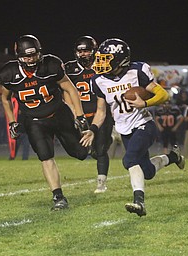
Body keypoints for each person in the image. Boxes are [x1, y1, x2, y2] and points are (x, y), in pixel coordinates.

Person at [81, 38, 185, 217]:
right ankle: (173, 157)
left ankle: (139, 202)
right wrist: (93, 129)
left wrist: (145, 103)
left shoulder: (137, 70)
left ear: (120, 59)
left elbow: (163, 94)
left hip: (144, 124)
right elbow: (101, 111)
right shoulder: (98, 80)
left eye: (106, 58)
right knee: (148, 172)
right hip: (124, 130)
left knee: (129, 160)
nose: (101, 62)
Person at [0, 35, 89, 210]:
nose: (31, 60)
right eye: (26, 56)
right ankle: (58, 197)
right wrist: (11, 122)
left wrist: (79, 115)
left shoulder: (51, 65)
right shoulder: (9, 73)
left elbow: (69, 87)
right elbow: (5, 98)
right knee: (46, 157)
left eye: (33, 55)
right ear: (18, 56)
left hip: (59, 114)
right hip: (34, 121)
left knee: (80, 153)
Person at [64, 36, 113, 193]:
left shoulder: (103, 65)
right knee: (80, 153)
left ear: (94, 51)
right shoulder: (69, 69)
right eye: (80, 51)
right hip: (80, 115)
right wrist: (75, 114)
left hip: (100, 113)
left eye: (86, 51)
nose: (83, 54)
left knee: (100, 150)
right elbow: (66, 93)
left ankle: (101, 183)